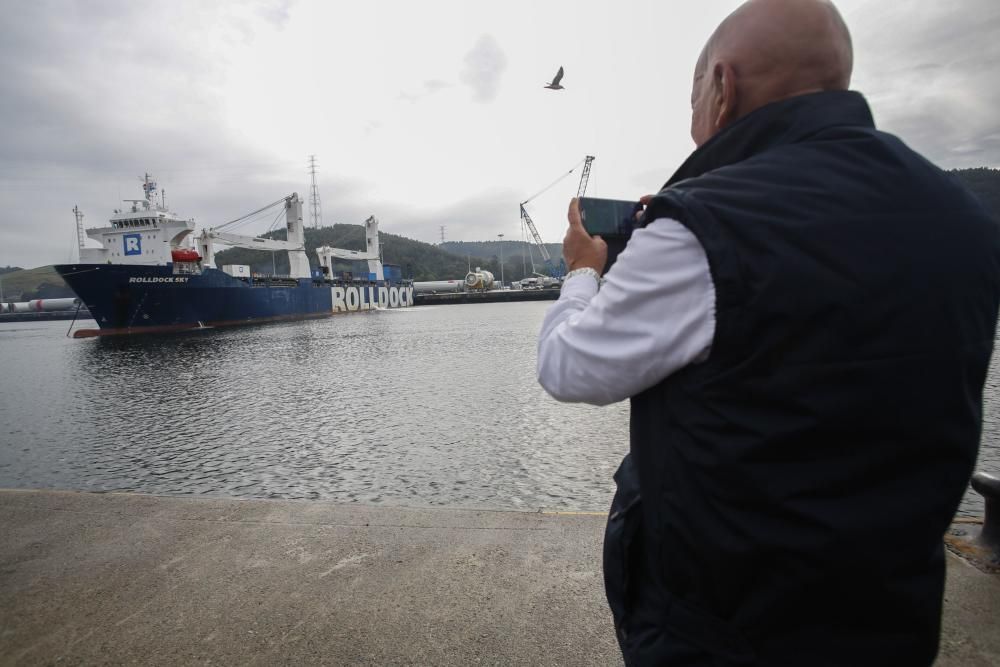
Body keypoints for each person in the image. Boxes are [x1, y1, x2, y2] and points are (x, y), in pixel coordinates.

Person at [536, 0, 1000, 664]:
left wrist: (584, 271)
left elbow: (567, 365)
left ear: (722, 88)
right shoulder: (963, 221)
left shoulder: (702, 227)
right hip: (891, 622)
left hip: (726, 636)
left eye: (692, 90)